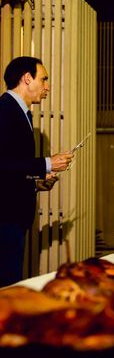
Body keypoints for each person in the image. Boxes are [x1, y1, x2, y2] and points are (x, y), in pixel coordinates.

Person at [0, 56, 74, 287]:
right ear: (27, 78)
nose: (47, 86)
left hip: (13, 218)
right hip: (5, 218)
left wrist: (34, 183)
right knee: (7, 288)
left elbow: (12, 169)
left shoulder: (21, 113)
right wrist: (47, 164)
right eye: (44, 79)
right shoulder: (4, 110)